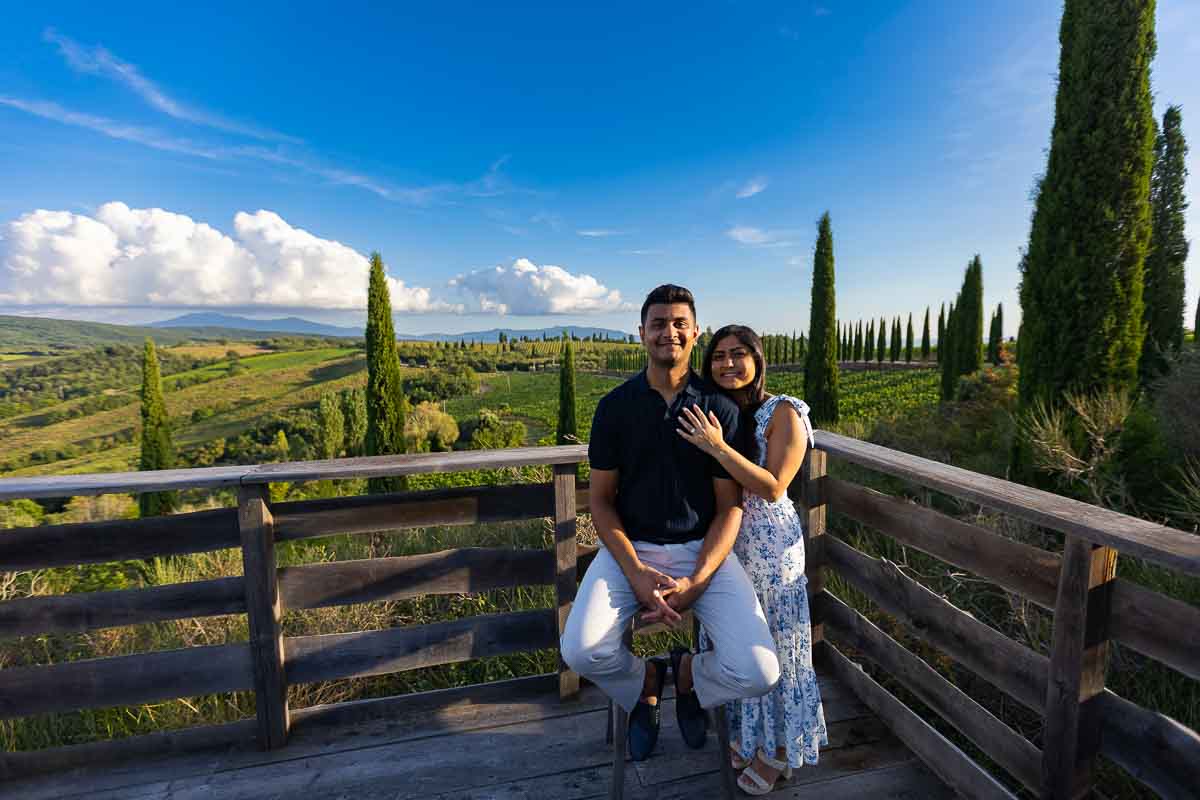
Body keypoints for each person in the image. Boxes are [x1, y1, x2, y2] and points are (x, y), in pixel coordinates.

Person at [560, 285, 780, 763]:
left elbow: (730, 508)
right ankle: (645, 683)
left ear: (695, 333)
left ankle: (687, 677)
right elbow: (600, 502)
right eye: (658, 323)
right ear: (641, 333)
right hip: (629, 552)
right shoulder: (614, 408)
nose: (669, 332)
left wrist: (698, 580)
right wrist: (636, 572)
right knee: (579, 651)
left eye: (680, 323)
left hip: (704, 553)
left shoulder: (718, 409)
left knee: (759, 672)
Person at [675, 324, 828, 796]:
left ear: (758, 359)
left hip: (770, 545)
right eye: (718, 356)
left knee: (778, 647)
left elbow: (775, 484)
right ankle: (750, 735)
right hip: (727, 541)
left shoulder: (783, 411)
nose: (726, 364)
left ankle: (779, 752)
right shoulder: (724, 412)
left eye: (737, 354)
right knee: (734, 639)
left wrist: (716, 447)